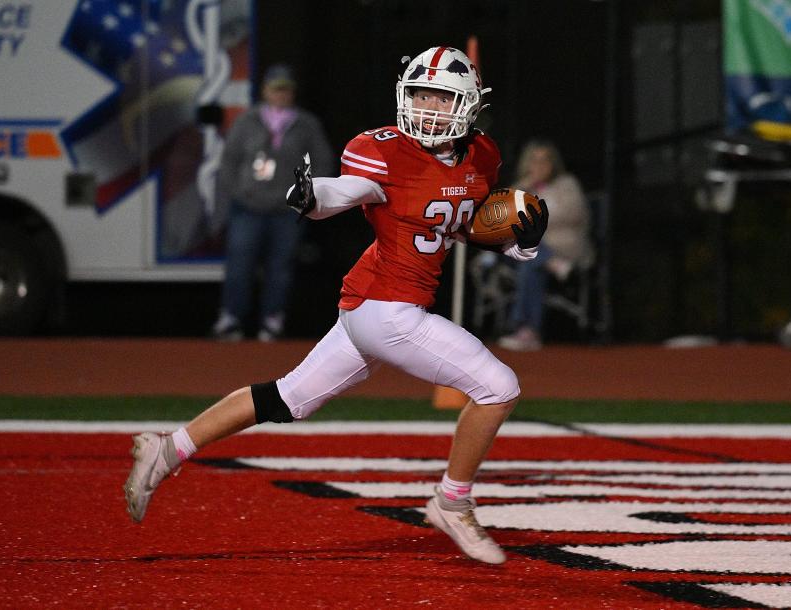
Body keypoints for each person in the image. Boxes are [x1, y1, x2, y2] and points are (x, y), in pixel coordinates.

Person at [125, 46, 549, 565]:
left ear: (467, 105)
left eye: (441, 97)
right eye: (421, 94)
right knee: (499, 386)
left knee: (286, 399)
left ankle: (166, 449)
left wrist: (513, 243)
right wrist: (312, 196)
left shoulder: (482, 154)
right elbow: (346, 190)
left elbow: (455, 221)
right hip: (387, 310)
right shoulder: (384, 152)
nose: (428, 107)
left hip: (370, 303)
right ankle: (451, 501)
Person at [210, 63, 335, 342]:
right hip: (248, 208)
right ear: (265, 91)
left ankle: (272, 320)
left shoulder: (305, 124)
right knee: (239, 264)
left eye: (286, 90)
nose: (281, 95)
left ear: (293, 93)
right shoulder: (247, 120)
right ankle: (231, 318)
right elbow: (229, 161)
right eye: (276, 89)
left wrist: (306, 196)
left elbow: (323, 161)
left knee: (281, 267)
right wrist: (238, 192)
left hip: (286, 211)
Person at [496, 139, 593, 351]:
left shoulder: (567, 184)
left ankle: (526, 331)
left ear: (553, 164)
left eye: (545, 161)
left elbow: (574, 214)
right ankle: (551, 263)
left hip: (563, 248)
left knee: (530, 263)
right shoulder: (521, 187)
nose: (540, 166)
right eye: (535, 161)